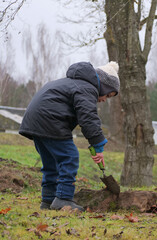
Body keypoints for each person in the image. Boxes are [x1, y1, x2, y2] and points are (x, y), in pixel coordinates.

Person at [19, 61, 120, 210]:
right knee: (70, 157)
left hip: (34, 122)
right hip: (50, 120)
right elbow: (88, 118)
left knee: (51, 164)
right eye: (108, 95)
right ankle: (63, 199)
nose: (104, 99)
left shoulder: (72, 83)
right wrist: (98, 145)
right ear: (104, 85)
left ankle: (48, 200)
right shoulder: (87, 88)